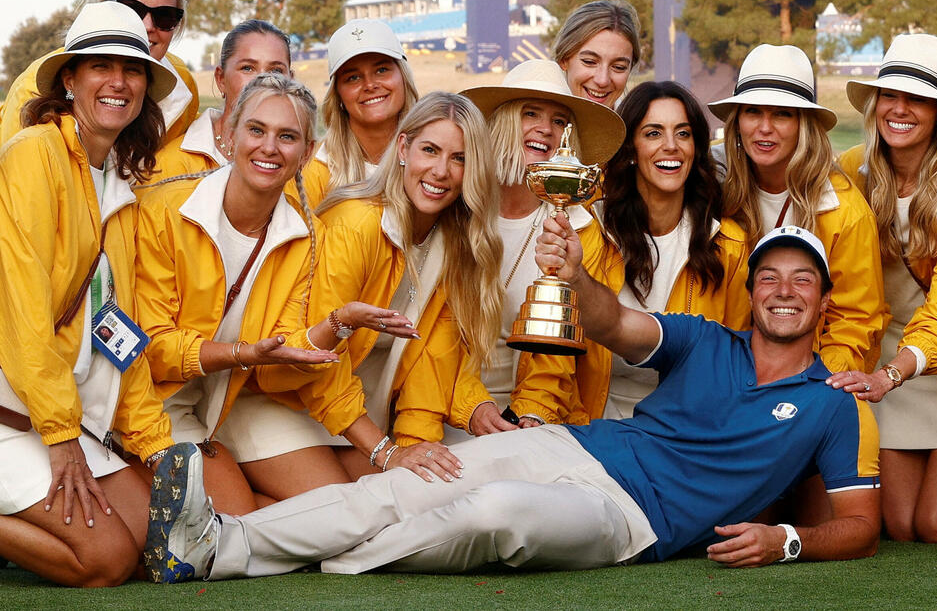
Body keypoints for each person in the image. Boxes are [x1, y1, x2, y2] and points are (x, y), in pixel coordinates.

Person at [142, 225, 880, 583]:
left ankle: (306, 556)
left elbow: (860, 526)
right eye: (770, 277)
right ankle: (216, 546)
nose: (784, 290)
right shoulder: (706, 340)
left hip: (632, 520)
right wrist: (578, 278)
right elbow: (614, 324)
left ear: (824, 299)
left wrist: (788, 541)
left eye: (802, 280)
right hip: (576, 444)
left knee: (491, 514)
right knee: (411, 482)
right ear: (753, 292)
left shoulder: (834, 403)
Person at [0, 1, 177, 587]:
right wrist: (60, 436)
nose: (118, 81)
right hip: (13, 411)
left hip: (56, 411)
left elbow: (117, 328)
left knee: (151, 542)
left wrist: (156, 446)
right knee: (107, 561)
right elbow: (23, 313)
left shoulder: (119, 178)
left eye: (132, 69)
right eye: (100, 65)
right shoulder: (33, 154)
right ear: (70, 80)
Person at [135, 73, 364, 514]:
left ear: (307, 153)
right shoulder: (163, 210)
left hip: (227, 404)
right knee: (238, 516)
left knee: (336, 506)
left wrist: (337, 324)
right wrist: (243, 353)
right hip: (150, 404)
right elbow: (152, 346)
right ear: (229, 137)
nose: (269, 147)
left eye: (287, 136)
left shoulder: (309, 237)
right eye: (256, 130)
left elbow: (284, 343)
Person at [828, 34, 937, 543]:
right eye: (890, 96)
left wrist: (892, 375)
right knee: (900, 526)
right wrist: (879, 372)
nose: (899, 110)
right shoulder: (852, 170)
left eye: (918, 99)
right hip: (881, 356)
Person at [514, 80, 752, 425]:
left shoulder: (729, 244)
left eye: (683, 134)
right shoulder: (592, 230)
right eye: (653, 133)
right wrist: (535, 413)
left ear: (696, 148)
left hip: (686, 428)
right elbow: (555, 354)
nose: (670, 146)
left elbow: (736, 358)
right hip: (593, 422)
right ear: (630, 150)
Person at [307, 91, 508, 480]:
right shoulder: (355, 224)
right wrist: (386, 452)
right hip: (299, 404)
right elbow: (316, 361)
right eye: (430, 150)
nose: (441, 171)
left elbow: (430, 359)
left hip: (361, 419)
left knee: (423, 490)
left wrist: (419, 443)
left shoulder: (453, 242)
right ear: (403, 148)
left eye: (460, 158)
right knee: (356, 507)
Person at [459, 59, 625, 428]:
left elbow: (559, 353)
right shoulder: (457, 213)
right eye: (530, 113)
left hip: (538, 416)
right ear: (503, 122)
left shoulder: (580, 229)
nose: (545, 129)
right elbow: (432, 339)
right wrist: (472, 409)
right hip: (445, 404)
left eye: (560, 121)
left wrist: (532, 412)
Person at [710, 44, 885, 375]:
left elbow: (855, 322)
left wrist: (810, 385)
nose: (765, 127)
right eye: (753, 112)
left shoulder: (845, 210)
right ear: (737, 120)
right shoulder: (707, 179)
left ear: (805, 124)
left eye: (782, 114)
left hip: (807, 375)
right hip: (720, 369)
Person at [0, 0, 198, 147]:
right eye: (131, 10)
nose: (147, 26)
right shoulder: (32, 88)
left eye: (165, 15)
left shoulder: (184, 85)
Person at [148, 20, 291, 185]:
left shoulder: (305, 167)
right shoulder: (168, 167)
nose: (263, 81)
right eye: (247, 68)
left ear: (292, 81)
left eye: (276, 71)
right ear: (221, 79)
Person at [298, 19, 419, 209]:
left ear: (403, 77)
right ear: (338, 94)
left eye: (381, 70)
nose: (370, 85)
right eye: (353, 77)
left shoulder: (438, 153)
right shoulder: (315, 171)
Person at [552, 0, 640, 108]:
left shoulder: (640, 118)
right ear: (564, 59)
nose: (603, 81)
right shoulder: (535, 116)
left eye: (619, 67)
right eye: (589, 62)